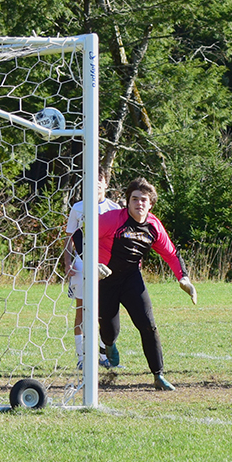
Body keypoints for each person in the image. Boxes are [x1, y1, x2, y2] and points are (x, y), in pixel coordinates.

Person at [97, 177, 197, 391]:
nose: (139, 203)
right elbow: (81, 235)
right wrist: (91, 264)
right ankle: (109, 344)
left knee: (148, 325)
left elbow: (170, 253)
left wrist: (184, 278)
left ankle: (158, 375)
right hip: (105, 279)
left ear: (150, 204)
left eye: (143, 200)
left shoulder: (153, 226)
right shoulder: (111, 219)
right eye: (134, 199)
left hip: (132, 279)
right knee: (109, 330)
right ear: (127, 202)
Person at [64, 166, 122, 370]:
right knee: (81, 310)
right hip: (82, 266)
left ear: (106, 184)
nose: (96, 184)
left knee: (103, 312)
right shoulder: (78, 208)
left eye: (100, 180)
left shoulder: (114, 209)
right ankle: (82, 358)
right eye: (91, 180)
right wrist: (67, 262)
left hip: (106, 267)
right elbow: (69, 237)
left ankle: (103, 356)